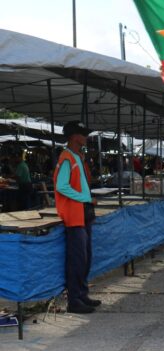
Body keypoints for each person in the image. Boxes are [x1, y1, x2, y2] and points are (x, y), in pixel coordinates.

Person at [54, 121, 102, 314]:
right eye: (83, 134)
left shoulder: (77, 157)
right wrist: (86, 198)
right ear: (75, 137)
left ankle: (82, 294)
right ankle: (74, 300)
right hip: (74, 215)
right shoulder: (67, 157)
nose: (86, 137)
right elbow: (61, 186)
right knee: (77, 259)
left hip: (83, 213)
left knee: (85, 257)